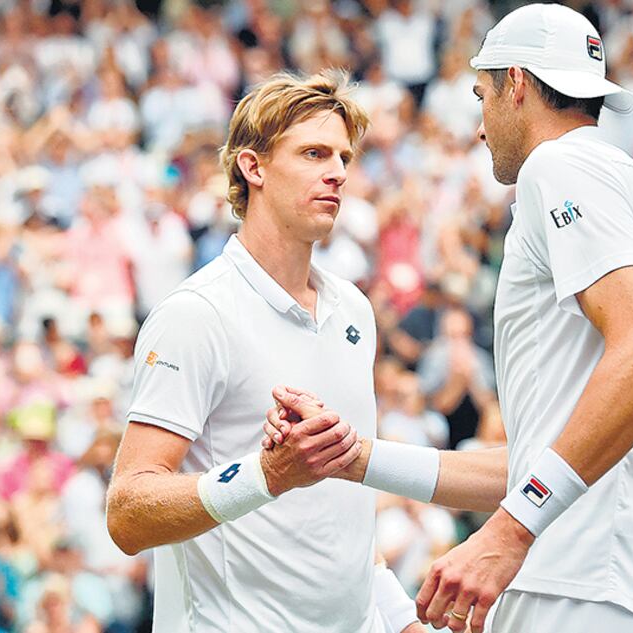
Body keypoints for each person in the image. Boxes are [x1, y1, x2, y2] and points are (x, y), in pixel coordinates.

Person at [264, 5, 633, 633]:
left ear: (516, 83)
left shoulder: (558, 167)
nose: (481, 122)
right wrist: (355, 458)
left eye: (482, 93)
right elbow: (536, 464)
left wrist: (511, 531)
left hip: (593, 590)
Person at [106, 70, 422, 633]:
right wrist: (268, 476)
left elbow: (343, 513)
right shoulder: (194, 314)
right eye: (314, 153)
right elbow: (128, 514)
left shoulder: (353, 310)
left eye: (344, 158)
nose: (337, 174)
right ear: (253, 168)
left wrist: (403, 621)